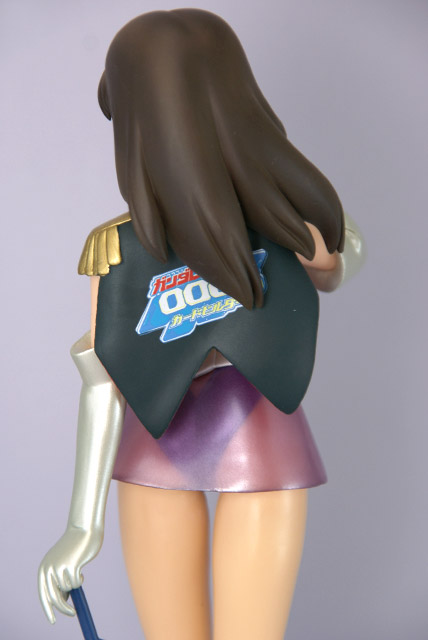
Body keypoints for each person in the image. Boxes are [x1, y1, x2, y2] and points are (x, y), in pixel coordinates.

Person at [38, 9, 364, 640]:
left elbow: (338, 260)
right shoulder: (121, 250)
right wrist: (82, 524)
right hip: (159, 431)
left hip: (257, 422)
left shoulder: (281, 226)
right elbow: (104, 373)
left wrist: (307, 225)